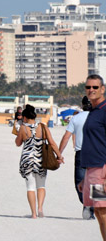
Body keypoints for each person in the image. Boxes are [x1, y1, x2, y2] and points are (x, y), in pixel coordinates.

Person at [15, 104, 64, 219]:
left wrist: (19, 133)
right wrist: (59, 156)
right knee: (41, 186)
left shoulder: (23, 128)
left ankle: (33, 214)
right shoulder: (42, 127)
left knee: (30, 187)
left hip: (27, 160)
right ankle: (40, 209)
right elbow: (52, 143)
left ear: (25, 118)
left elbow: (18, 143)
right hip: (40, 160)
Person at [59, 96, 94, 219]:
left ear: (82, 105)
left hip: (81, 153)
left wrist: (59, 154)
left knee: (79, 182)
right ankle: (93, 207)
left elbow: (66, 137)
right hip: (98, 154)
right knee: (97, 182)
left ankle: (87, 204)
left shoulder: (76, 118)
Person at [80, 74, 106, 239]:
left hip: (101, 169)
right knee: (97, 210)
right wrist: (84, 177)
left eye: (95, 87)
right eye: (88, 87)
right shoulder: (93, 111)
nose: (91, 90)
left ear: (102, 89)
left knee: (102, 210)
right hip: (92, 169)